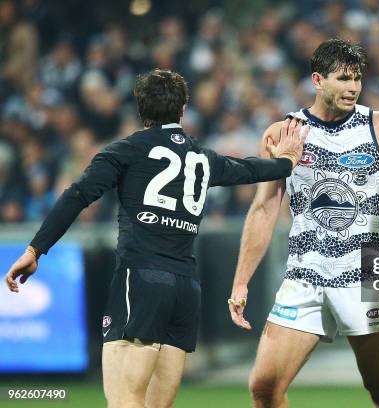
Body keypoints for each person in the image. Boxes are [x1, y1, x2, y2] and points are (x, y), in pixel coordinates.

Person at [4, 69, 307, 408]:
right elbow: (251, 169)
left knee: (124, 402)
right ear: (183, 109)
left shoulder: (125, 151)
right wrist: (287, 160)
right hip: (185, 289)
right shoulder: (204, 158)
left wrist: (35, 249)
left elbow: (77, 195)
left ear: (140, 108)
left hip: (141, 279)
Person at [228, 38, 379, 407]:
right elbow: (264, 208)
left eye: (357, 79)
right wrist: (241, 280)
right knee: (263, 387)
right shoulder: (283, 134)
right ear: (318, 80)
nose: (353, 87)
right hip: (305, 274)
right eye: (343, 79)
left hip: (366, 273)